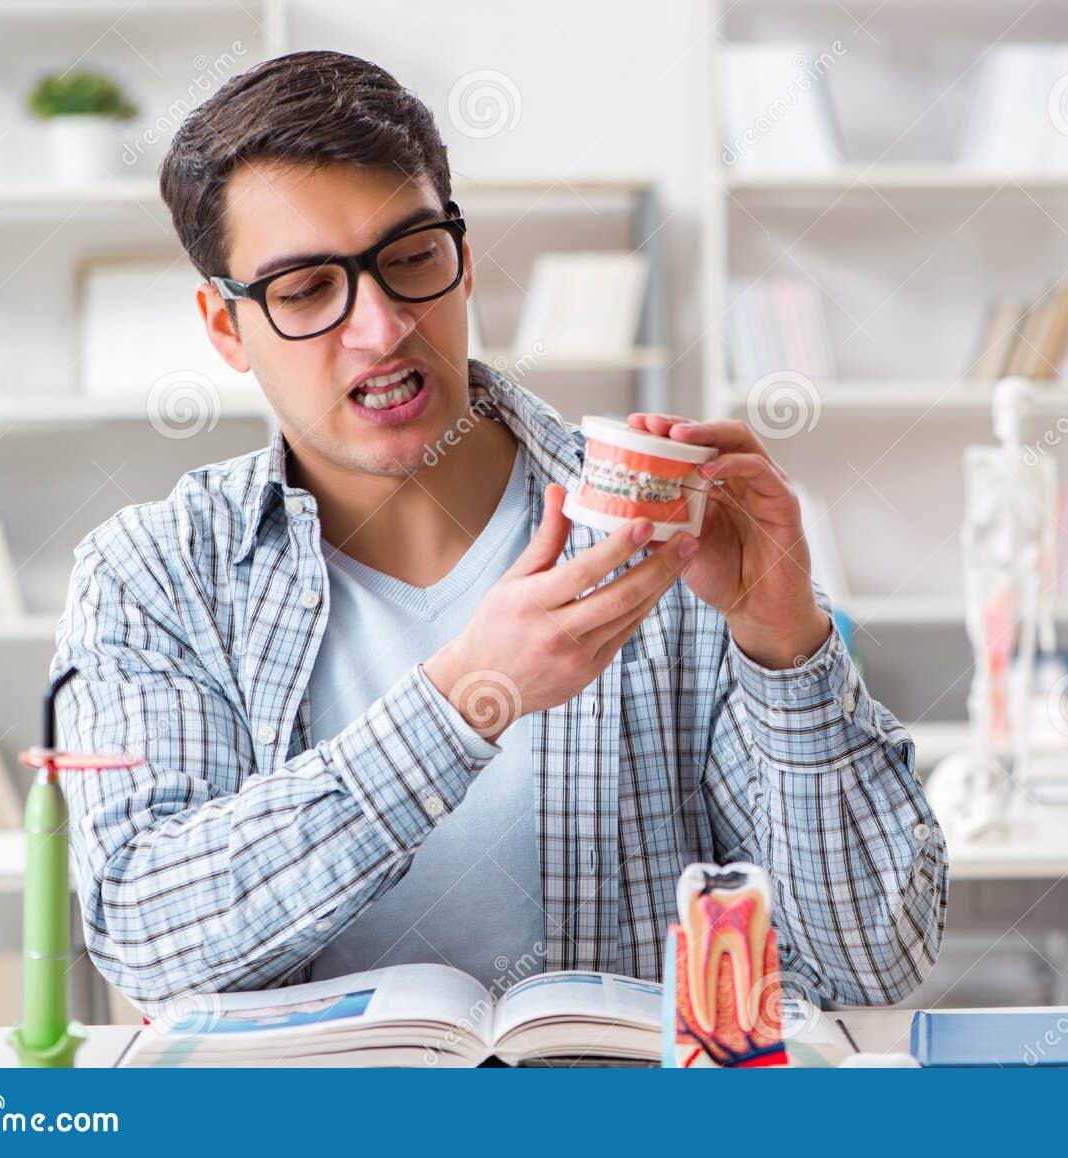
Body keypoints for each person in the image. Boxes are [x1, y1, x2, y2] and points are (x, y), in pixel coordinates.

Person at [54, 49, 947, 1013]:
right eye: (308, 289)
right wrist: (465, 700)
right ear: (226, 329)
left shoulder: (664, 534)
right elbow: (148, 935)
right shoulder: (154, 574)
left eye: (411, 259)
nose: (383, 327)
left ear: (464, 258)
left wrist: (785, 644)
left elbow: (871, 964)